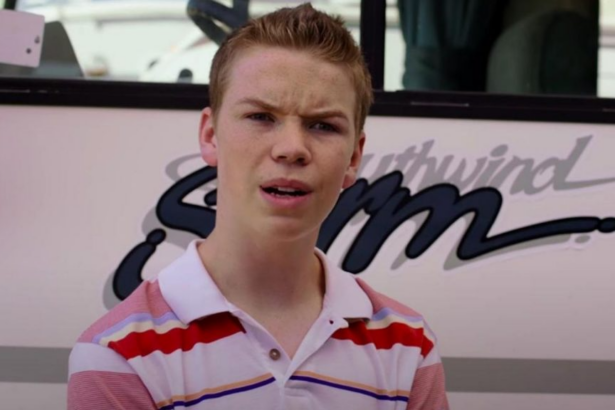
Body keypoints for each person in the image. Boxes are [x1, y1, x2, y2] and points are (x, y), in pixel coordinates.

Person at [67, 4, 449, 409]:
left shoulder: (408, 347)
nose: (291, 149)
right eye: (261, 116)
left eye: (323, 125)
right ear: (211, 135)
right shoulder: (117, 356)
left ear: (354, 157)